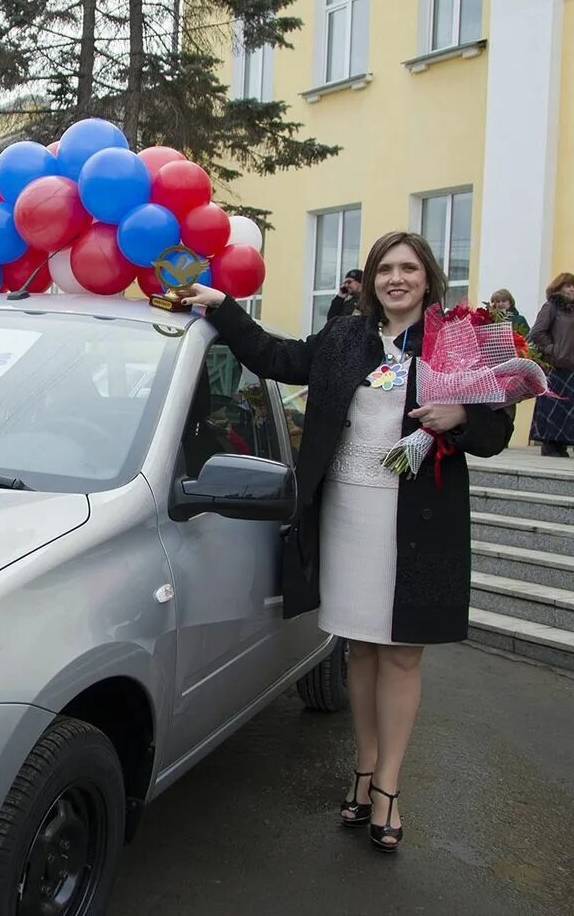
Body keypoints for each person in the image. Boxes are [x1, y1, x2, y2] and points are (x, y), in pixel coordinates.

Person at [179, 232, 513, 854]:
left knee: (402, 653)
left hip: (422, 521)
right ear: (371, 280)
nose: (396, 278)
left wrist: (462, 416)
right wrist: (221, 304)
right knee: (360, 646)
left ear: (428, 277)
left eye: (408, 268)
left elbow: (496, 427)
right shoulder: (344, 340)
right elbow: (274, 356)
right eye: (385, 268)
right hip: (350, 513)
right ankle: (363, 768)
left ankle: (388, 786)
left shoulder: (455, 341)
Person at [528, 272, 574, 457]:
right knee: (552, 407)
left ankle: (562, 443)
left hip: (571, 366)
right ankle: (549, 443)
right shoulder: (551, 308)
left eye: (573, 286)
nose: (572, 289)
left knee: (568, 408)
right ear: (558, 288)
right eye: (567, 285)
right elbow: (537, 332)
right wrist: (553, 350)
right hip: (555, 366)